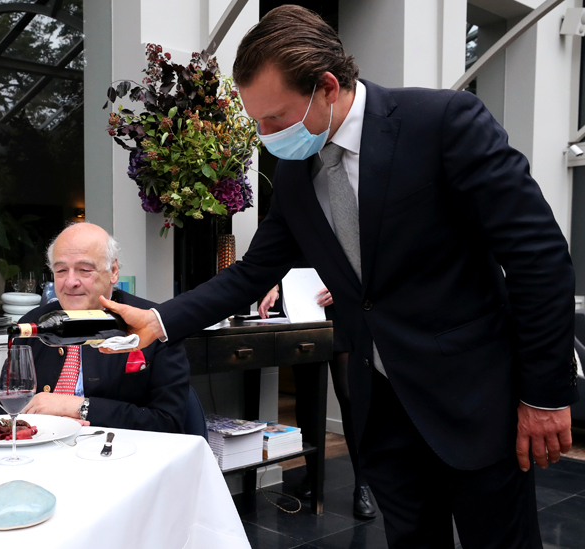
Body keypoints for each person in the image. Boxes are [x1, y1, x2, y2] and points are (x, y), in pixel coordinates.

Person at [100, 6, 578, 548]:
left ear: (326, 87)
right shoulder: (298, 175)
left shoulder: (444, 121)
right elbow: (253, 271)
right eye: (256, 122)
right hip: (385, 411)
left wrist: (543, 395)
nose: (265, 137)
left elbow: (538, 257)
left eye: (275, 120)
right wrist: (161, 320)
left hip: (474, 401)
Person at [0, 223, 190, 433]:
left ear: (114, 271)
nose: (70, 282)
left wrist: (78, 407)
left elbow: (168, 421)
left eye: (84, 270)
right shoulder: (33, 324)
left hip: (121, 455)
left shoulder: (151, 322)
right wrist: (37, 418)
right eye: (61, 270)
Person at [260, 283, 375, 519]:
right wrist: (274, 287)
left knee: (349, 396)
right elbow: (281, 255)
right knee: (307, 394)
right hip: (300, 306)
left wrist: (343, 285)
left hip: (341, 308)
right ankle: (313, 473)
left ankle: (362, 485)